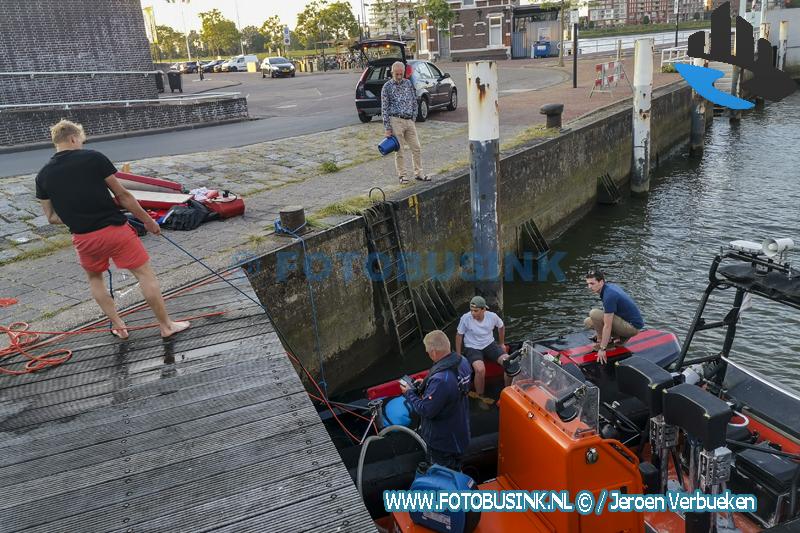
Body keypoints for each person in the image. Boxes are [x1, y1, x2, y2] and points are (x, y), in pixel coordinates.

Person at [35, 119, 190, 340]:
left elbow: (51, 217)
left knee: (95, 280)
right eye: (81, 140)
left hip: (83, 238)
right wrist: (148, 220)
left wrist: (76, 216)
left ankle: (119, 325)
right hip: (114, 230)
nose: (81, 144)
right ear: (73, 138)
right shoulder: (94, 158)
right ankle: (166, 326)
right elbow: (123, 196)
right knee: (145, 275)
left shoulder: (42, 176)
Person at [399, 330, 471, 470]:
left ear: (433, 352)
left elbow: (426, 410)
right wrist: (427, 385)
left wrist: (408, 392)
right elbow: (453, 390)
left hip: (443, 442)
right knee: (457, 468)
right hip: (461, 431)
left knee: (443, 474)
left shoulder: (441, 380)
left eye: (427, 352)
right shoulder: (463, 361)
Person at [455, 296, 511, 405]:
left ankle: (507, 393)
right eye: (471, 310)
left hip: (489, 344)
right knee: (480, 370)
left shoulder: (492, 317)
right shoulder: (465, 318)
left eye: (476, 311)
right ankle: (480, 397)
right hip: (472, 347)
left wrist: (502, 343)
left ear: (484, 310)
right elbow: (459, 335)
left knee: (508, 363)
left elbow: (501, 326)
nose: (473, 313)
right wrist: (458, 355)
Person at [381, 61, 430, 184]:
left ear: (404, 73)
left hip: (409, 120)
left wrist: (413, 117)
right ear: (392, 73)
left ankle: (419, 173)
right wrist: (387, 127)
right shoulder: (387, 87)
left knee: (416, 148)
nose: (398, 76)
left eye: (401, 74)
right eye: (396, 74)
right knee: (400, 150)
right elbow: (384, 108)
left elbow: (414, 101)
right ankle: (402, 176)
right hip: (395, 120)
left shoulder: (408, 83)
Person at [584, 270, 644, 364]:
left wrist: (602, 348)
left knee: (594, 313)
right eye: (588, 284)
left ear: (601, 282)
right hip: (626, 322)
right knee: (589, 321)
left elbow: (607, 325)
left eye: (592, 283)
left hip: (632, 327)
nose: (589, 287)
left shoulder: (609, 295)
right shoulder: (608, 287)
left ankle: (607, 344)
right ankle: (619, 338)